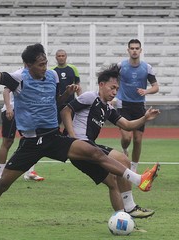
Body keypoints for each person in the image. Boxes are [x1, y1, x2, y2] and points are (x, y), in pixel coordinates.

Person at [0, 43, 160, 229]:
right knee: (2, 185)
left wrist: (65, 95)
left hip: (52, 137)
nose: (45, 68)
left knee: (93, 151)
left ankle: (139, 179)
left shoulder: (53, 76)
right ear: (29, 65)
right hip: (30, 142)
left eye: (46, 62)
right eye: (40, 64)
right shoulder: (19, 78)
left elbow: (55, 103)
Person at [61, 64, 160, 218]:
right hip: (81, 146)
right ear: (101, 85)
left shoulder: (107, 108)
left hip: (89, 148)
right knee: (122, 160)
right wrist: (73, 137)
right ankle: (133, 199)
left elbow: (127, 125)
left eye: (117, 89)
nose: (114, 92)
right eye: (112, 87)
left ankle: (123, 218)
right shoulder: (90, 97)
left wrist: (145, 118)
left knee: (114, 181)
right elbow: (66, 111)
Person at [115, 39, 159, 172]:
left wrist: (146, 91)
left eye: (137, 48)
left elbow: (156, 87)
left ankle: (133, 168)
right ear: (128, 50)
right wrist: (112, 96)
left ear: (141, 50)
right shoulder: (120, 66)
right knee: (126, 137)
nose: (134, 50)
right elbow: (112, 81)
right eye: (132, 48)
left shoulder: (147, 68)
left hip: (139, 106)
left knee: (138, 139)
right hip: (123, 104)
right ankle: (124, 149)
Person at [0, 87, 44, 182]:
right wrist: (9, 107)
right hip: (12, 110)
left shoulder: (36, 78)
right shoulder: (17, 75)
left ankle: (30, 172)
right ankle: (0, 174)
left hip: (28, 112)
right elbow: (6, 91)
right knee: (7, 142)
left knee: (33, 141)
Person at [51, 49, 81, 126]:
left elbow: (77, 85)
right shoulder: (52, 71)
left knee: (70, 126)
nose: (61, 57)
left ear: (66, 57)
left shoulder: (73, 69)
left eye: (63, 56)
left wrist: (80, 99)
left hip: (70, 103)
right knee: (55, 125)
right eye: (59, 56)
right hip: (57, 103)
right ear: (56, 57)